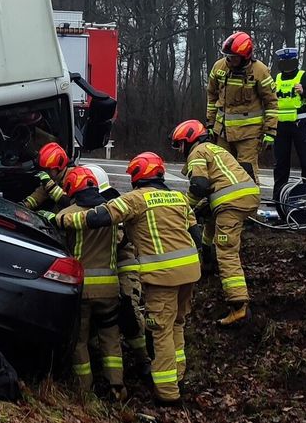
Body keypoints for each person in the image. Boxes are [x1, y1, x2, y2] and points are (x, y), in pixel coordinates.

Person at [57, 152, 200, 407]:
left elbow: (98, 217)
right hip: (190, 271)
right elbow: (195, 233)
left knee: (161, 331)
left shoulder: (134, 199)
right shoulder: (178, 197)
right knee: (177, 324)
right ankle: (178, 375)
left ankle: (168, 393)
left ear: (136, 177)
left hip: (162, 276)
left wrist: (62, 218)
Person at [171, 119, 260, 326]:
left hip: (231, 202)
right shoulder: (215, 149)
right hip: (244, 195)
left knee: (227, 250)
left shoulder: (197, 152)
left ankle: (239, 307)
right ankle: (208, 262)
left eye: (180, 144)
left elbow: (199, 185)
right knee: (210, 225)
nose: (179, 150)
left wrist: (185, 208)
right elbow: (215, 183)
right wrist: (204, 205)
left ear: (189, 139)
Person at [53, 167, 125, 400]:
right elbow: (122, 240)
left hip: (82, 288)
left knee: (80, 339)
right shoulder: (110, 213)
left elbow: (61, 240)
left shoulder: (70, 213)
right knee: (110, 335)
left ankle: (85, 390)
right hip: (110, 288)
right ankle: (117, 386)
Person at [85, 164, 150, 376]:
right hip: (104, 268)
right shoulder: (83, 204)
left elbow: (120, 241)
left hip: (123, 264)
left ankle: (144, 359)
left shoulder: (112, 207)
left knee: (128, 311)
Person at [207, 31, 279, 183]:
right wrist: (210, 123)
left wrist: (270, 131)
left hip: (249, 134)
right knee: (222, 171)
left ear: (245, 56)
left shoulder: (260, 71)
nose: (229, 59)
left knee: (247, 172)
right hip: (222, 132)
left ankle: (250, 204)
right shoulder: (219, 67)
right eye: (227, 55)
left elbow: (271, 102)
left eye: (233, 57)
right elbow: (212, 96)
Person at [271, 47, 306, 200]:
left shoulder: (305, 78)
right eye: (284, 63)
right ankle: (279, 198)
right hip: (280, 127)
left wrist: (304, 92)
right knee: (280, 165)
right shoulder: (275, 79)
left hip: (300, 125)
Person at [21, 142, 74, 218]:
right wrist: (23, 205)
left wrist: (49, 185)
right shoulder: (56, 177)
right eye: (44, 170)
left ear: (59, 166)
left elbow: (68, 203)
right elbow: (40, 194)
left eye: (48, 170)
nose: (46, 173)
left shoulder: (73, 178)